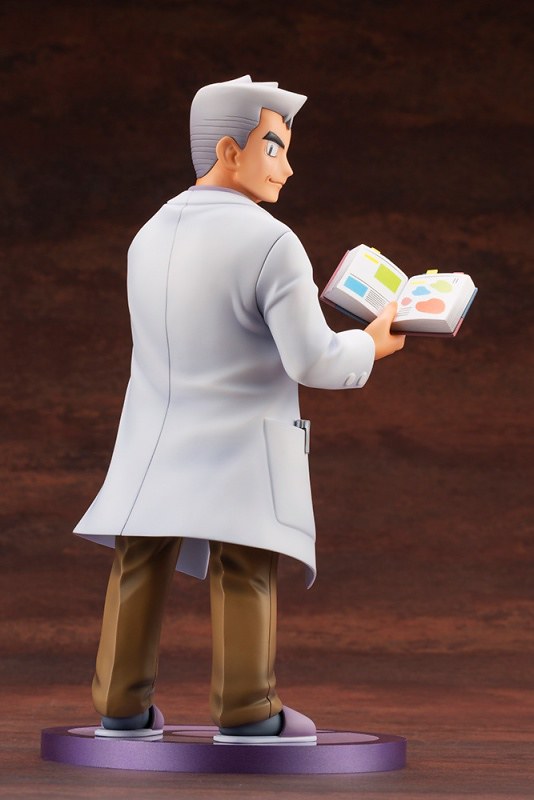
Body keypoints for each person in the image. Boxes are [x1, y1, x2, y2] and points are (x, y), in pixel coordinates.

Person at [74, 75, 405, 744]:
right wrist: (369, 344)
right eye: (274, 148)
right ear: (229, 151)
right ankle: (249, 709)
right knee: (246, 565)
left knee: (141, 558)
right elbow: (311, 360)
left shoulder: (148, 234)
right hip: (239, 442)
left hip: (154, 435)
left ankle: (119, 705)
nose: (287, 166)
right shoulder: (271, 242)